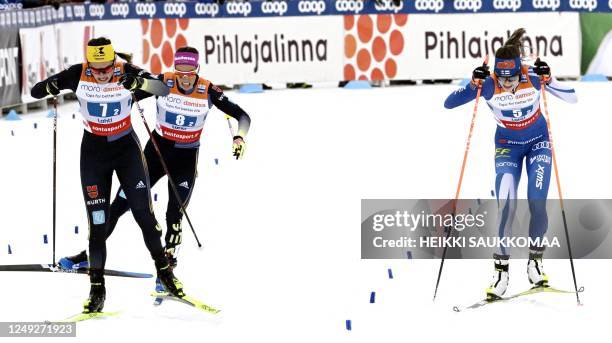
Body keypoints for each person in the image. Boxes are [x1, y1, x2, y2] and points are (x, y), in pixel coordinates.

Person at [58, 46, 251, 287]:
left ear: (197, 70)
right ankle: (88, 256)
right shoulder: (164, 82)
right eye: (180, 71)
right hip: (155, 153)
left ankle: (166, 273)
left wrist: (239, 137)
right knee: (119, 205)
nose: (184, 77)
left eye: (189, 72)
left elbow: (242, 116)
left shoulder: (208, 90)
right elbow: (128, 96)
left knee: (174, 214)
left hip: (186, 158)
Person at [31, 37, 185, 313]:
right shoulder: (77, 73)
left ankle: (165, 273)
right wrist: (50, 86)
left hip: (127, 150)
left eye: (107, 68)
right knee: (98, 224)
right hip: (93, 154)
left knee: (144, 215)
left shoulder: (126, 70)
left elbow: (163, 89)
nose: (102, 74)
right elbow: (35, 91)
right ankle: (97, 289)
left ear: (114, 60)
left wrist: (140, 84)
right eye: (96, 68)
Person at [443, 28, 577, 299]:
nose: (506, 84)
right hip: (507, 148)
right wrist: (472, 85)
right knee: (507, 205)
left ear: (520, 70)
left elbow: (572, 96)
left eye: (512, 78)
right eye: (501, 79)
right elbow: (449, 104)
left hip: (539, 142)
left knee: (537, 201)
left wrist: (549, 79)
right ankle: (501, 273)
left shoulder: (533, 76)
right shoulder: (490, 83)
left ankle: (535, 264)